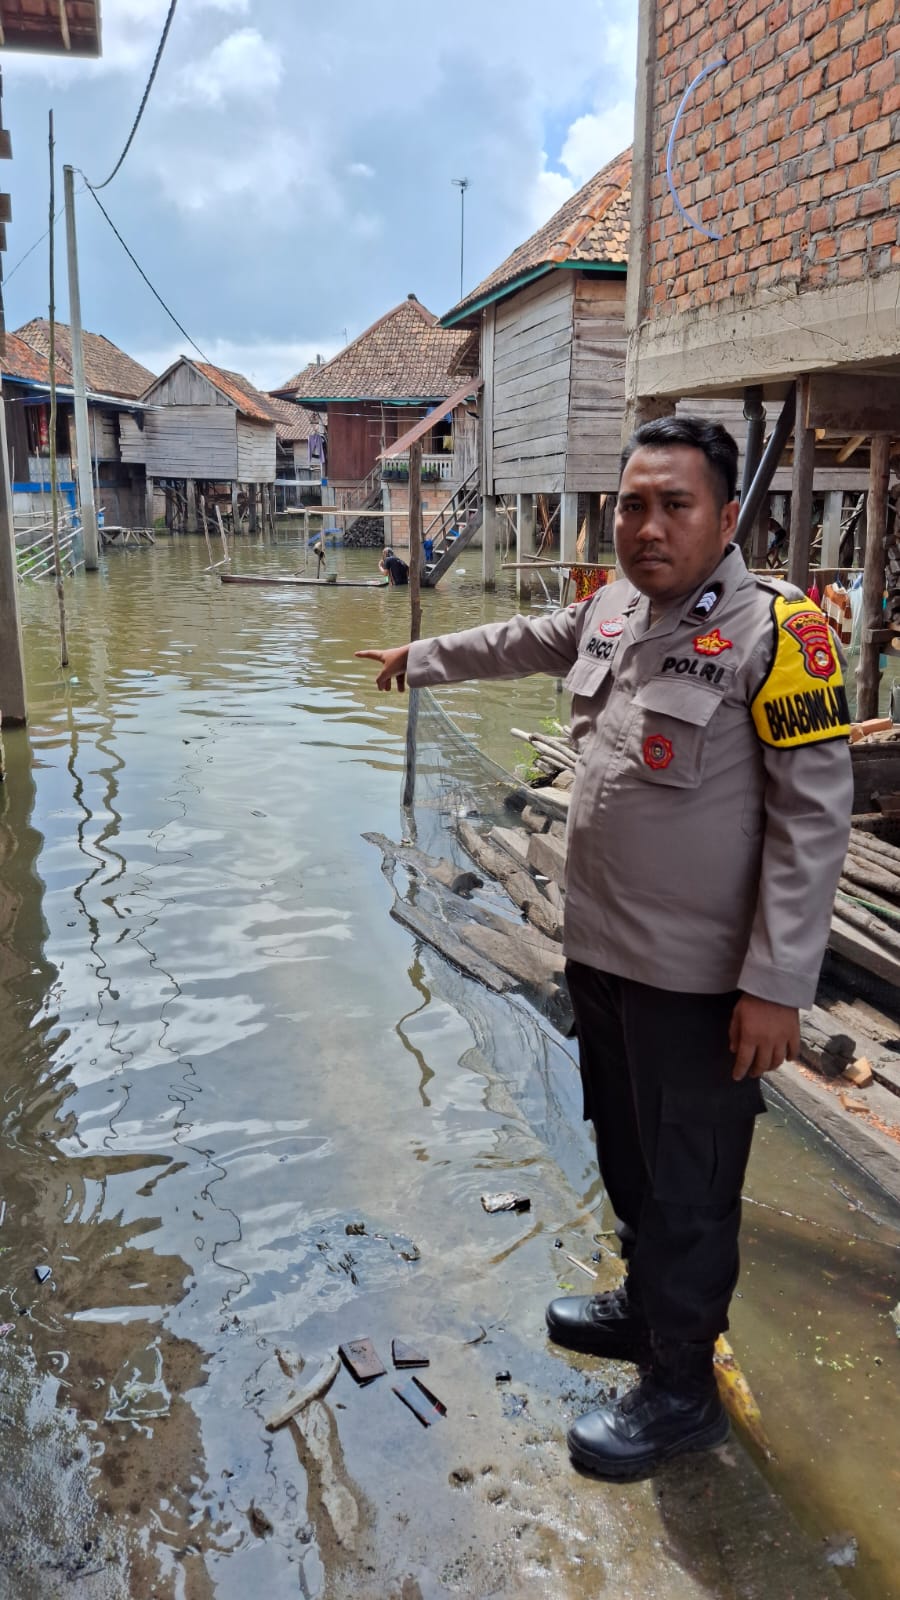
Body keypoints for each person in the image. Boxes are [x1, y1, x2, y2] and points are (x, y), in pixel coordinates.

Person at [357, 416, 853, 1480]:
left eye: (675, 504)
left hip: (699, 983)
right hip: (604, 959)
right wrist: (422, 656)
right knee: (628, 1155)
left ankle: (682, 1391)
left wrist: (775, 987)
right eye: (633, 502)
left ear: (727, 517)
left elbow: (815, 824)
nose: (647, 524)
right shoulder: (615, 606)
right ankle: (645, 1306)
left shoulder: (784, 633)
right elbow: (528, 636)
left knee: (690, 1184)